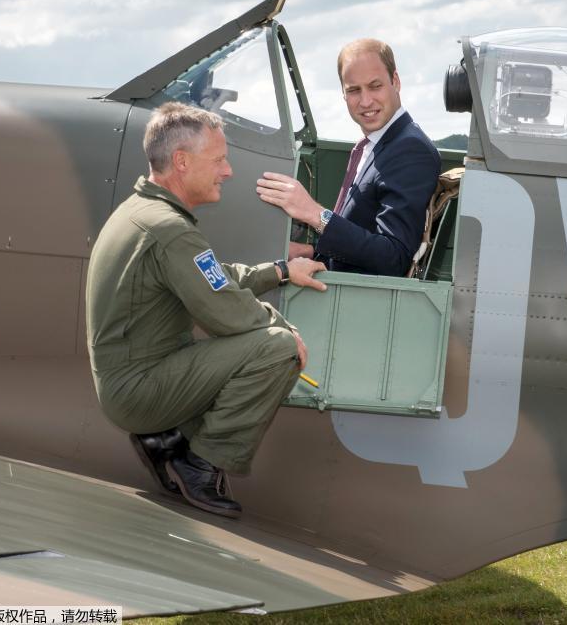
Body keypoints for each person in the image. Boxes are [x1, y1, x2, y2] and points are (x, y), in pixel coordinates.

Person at [86, 102, 326, 519]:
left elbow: (214, 277)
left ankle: (167, 440)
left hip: (136, 380)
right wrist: (289, 334)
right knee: (277, 349)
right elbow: (227, 313)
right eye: (218, 159)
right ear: (181, 161)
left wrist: (283, 271)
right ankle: (198, 463)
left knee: (269, 344)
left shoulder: (145, 213)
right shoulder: (169, 230)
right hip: (140, 390)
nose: (228, 170)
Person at [256, 38, 440, 277]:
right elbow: (365, 236)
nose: (365, 101)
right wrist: (310, 252)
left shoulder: (410, 149)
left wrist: (314, 214)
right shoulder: (376, 144)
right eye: (354, 90)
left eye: (375, 86)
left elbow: (393, 258)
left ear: (395, 81)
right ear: (343, 93)